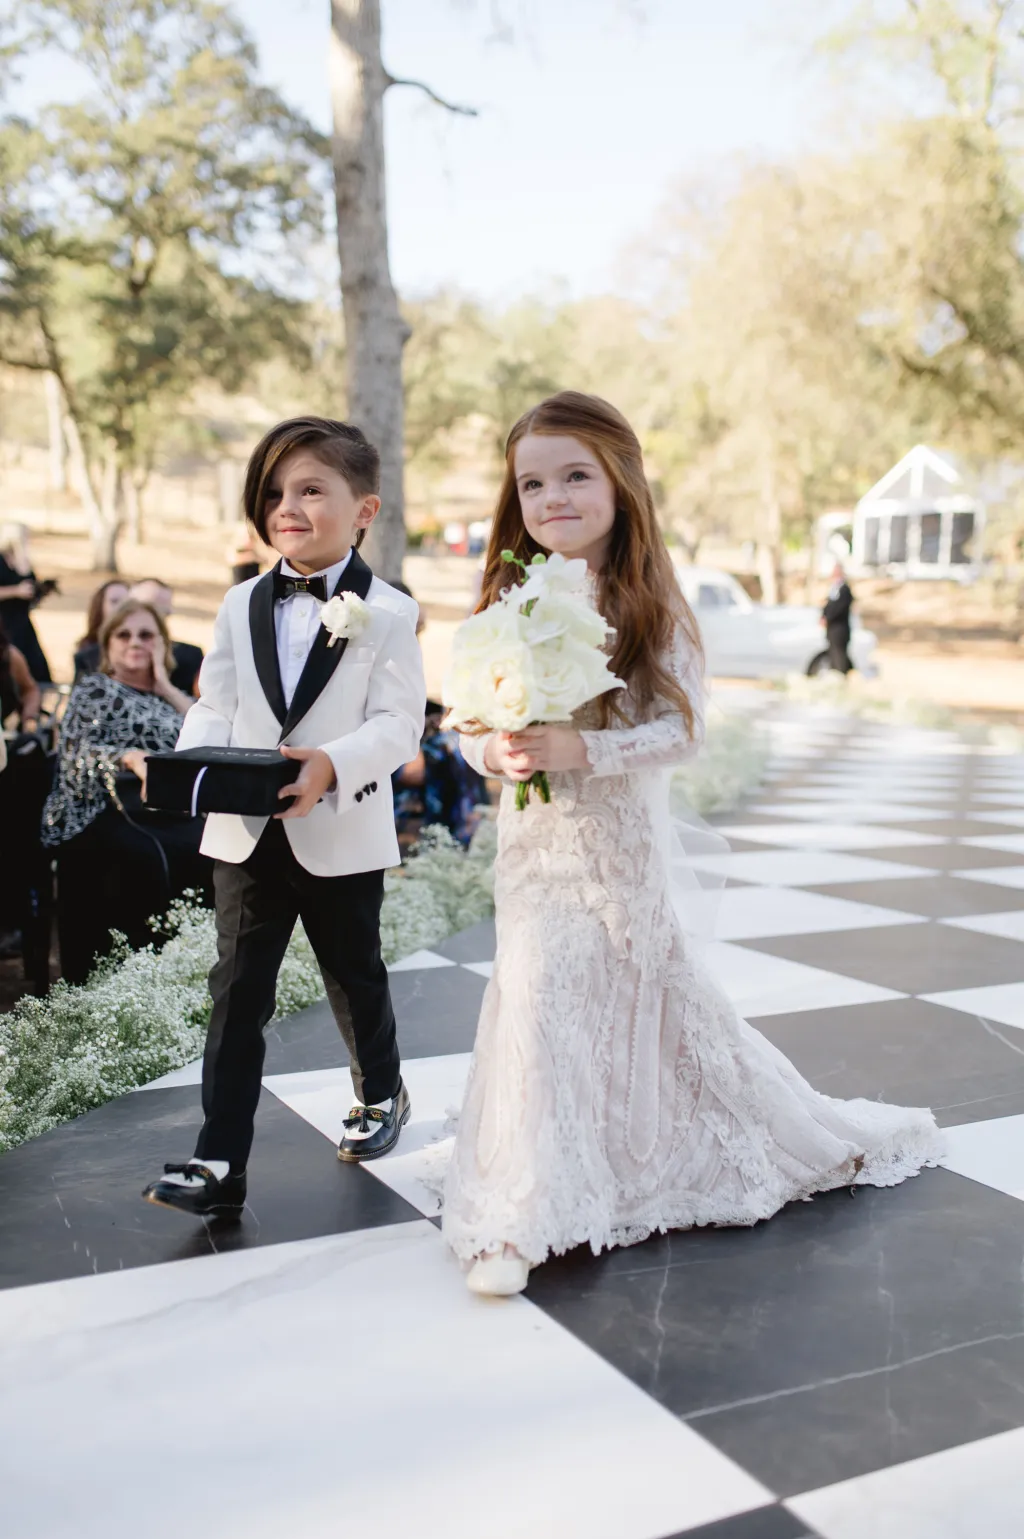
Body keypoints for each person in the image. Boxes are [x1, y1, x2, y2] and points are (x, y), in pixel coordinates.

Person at [440, 392, 943, 1297]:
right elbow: (466, 720)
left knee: (618, 989)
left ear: (621, 484)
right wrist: (498, 746)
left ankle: (616, 1160)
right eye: (532, 483)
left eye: (575, 476)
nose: (552, 497)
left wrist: (581, 748)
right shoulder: (506, 598)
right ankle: (514, 1206)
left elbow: (685, 730)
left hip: (615, 845)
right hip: (534, 841)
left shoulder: (651, 602)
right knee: (534, 989)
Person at [141, 416, 426, 1221]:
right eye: (275, 492)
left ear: (364, 509)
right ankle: (218, 1157)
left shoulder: (392, 612)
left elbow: (399, 723)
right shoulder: (239, 602)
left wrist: (331, 764)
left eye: (310, 490)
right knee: (237, 991)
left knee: (353, 973)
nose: (287, 506)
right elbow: (217, 704)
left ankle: (381, 1094)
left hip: (339, 824)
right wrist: (188, 767)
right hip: (246, 830)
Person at [41, 599, 209, 985]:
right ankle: (124, 981)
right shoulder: (95, 689)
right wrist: (130, 757)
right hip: (99, 809)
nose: (135, 642)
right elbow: (76, 754)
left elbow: (210, 733)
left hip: (169, 813)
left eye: (147, 635)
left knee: (214, 849)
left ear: (163, 645)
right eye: (124, 634)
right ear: (108, 646)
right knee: (145, 858)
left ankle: (187, 976)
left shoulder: (172, 700)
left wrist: (165, 686)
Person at [389, 581, 488, 848]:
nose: (419, 632)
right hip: (381, 749)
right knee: (453, 755)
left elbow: (412, 700)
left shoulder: (404, 648)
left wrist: (435, 720)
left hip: (410, 735)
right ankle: (451, 841)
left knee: (462, 741)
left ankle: (456, 843)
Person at [129, 578, 205, 695]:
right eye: (149, 610)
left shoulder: (189, 657)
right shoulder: (98, 654)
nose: (156, 619)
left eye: (164, 613)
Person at [0, 522, 53, 683]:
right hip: (3, 622)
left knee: (35, 666)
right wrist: (16, 591)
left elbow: (28, 584)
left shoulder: (23, 560)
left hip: (22, 622)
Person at [72, 579, 130, 682]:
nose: (122, 607)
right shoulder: (87, 652)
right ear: (101, 607)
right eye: (114, 601)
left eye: (127, 602)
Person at [822, 563, 854, 673]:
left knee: (840, 656)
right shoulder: (833, 589)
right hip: (832, 630)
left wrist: (828, 617)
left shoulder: (844, 590)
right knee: (833, 655)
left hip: (840, 629)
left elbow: (839, 607)